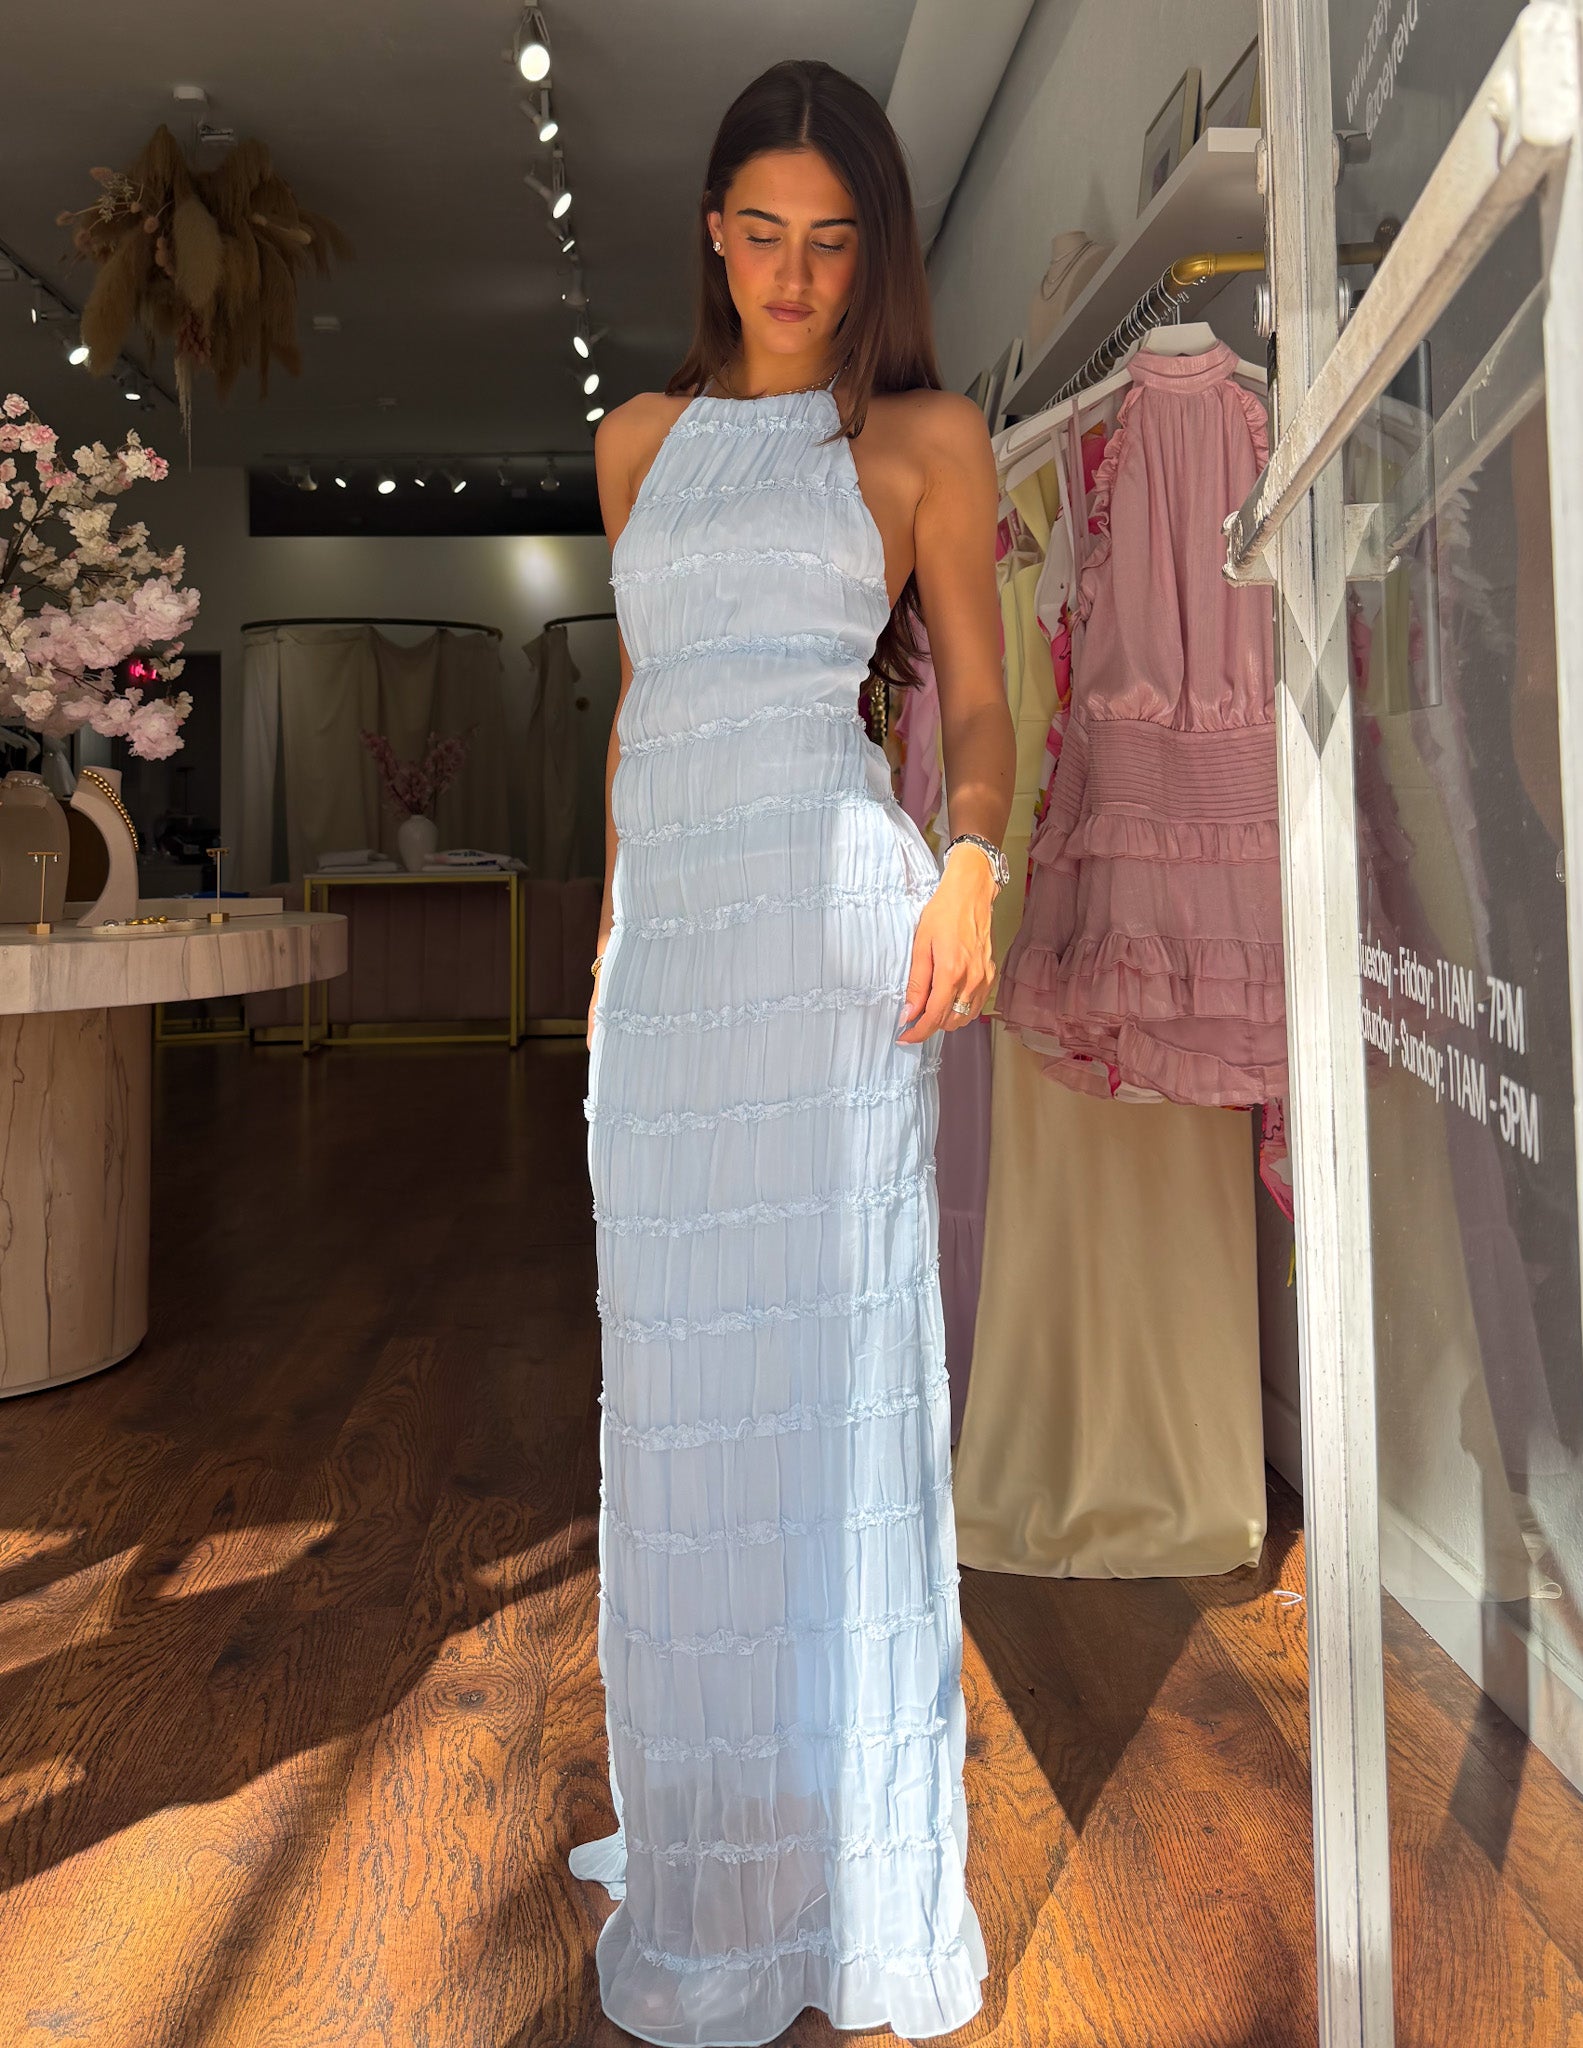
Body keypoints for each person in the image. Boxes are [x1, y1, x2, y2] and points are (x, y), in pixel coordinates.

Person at [571, 55, 1014, 2047]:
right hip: (677, 962)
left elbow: (979, 712)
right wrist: (608, 949)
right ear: (712, 235)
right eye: (761, 232)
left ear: (873, 255)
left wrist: (974, 862)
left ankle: (850, 1877)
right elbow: (641, 717)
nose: (793, 273)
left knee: (835, 1386)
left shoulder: (926, 439)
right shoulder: (635, 443)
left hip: (832, 931)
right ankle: (713, 1844)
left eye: (832, 242)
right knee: (682, 1402)